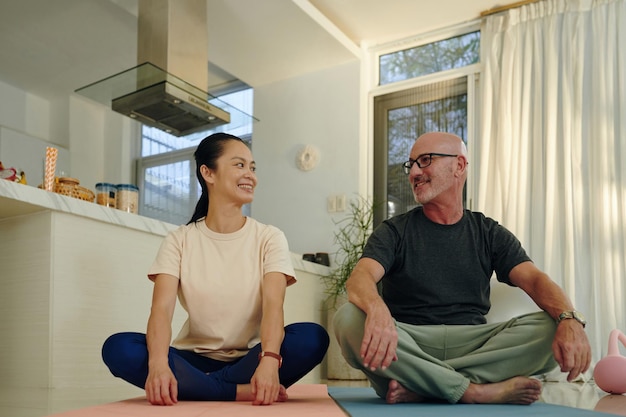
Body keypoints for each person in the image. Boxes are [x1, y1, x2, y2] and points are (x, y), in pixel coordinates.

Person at [333, 132, 591, 405]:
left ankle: (427, 386)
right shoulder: (394, 231)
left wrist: (569, 319)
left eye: (425, 160)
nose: (414, 173)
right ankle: (473, 391)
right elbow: (360, 277)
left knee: (553, 325)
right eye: (412, 165)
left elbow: (535, 280)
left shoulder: (488, 232)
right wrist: (376, 309)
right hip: (409, 343)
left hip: (474, 344)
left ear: (458, 166)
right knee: (348, 318)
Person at [102, 133, 329, 406]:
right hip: (191, 359)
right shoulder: (179, 240)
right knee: (119, 348)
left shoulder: (269, 237)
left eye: (252, 167)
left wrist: (269, 360)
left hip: (251, 358)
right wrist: (159, 364)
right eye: (239, 165)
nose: (251, 175)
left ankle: (201, 387)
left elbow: (273, 305)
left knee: (311, 338)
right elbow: (161, 310)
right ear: (208, 173)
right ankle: (235, 390)